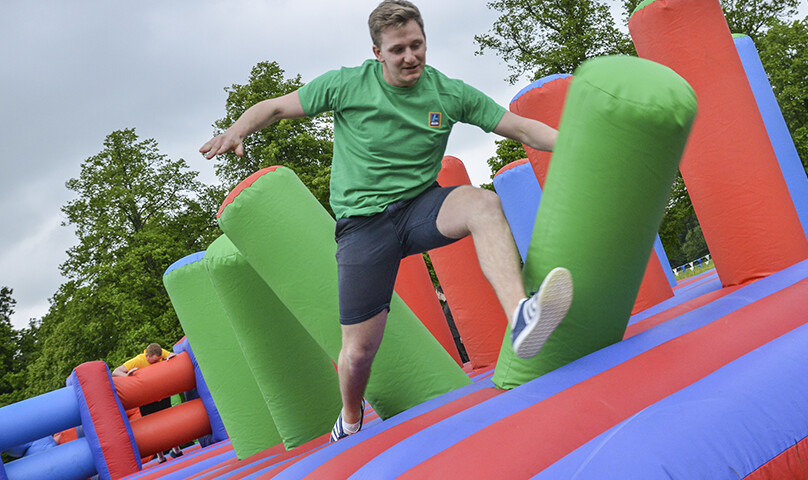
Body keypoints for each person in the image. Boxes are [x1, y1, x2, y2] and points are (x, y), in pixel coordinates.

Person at [199, 0, 573, 443]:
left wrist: (576, 141)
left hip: (421, 206)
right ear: (377, 52)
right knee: (358, 354)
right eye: (398, 50)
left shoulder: (448, 93)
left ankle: (521, 316)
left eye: (417, 45)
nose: (410, 56)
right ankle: (351, 415)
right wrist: (238, 129)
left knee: (483, 206)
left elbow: (523, 129)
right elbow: (276, 108)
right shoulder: (346, 85)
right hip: (363, 226)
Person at [113, 343, 183, 462]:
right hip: (146, 399)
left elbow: (173, 355)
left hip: (161, 394)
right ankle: (160, 456)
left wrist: (170, 358)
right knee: (153, 427)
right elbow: (116, 372)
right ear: (147, 356)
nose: (156, 364)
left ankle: (176, 449)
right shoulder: (138, 360)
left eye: (158, 361)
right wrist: (127, 376)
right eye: (154, 361)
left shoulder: (160, 353)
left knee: (168, 421)